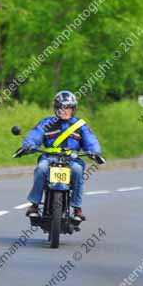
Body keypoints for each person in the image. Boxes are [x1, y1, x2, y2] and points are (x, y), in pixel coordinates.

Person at [15, 90, 104, 223]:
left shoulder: (80, 125)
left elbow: (91, 140)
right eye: (62, 107)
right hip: (50, 158)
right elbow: (35, 135)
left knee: (78, 171)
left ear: (73, 109)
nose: (65, 111)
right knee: (41, 168)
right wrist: (27, 146)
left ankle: (77, 208)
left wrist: (95, 152)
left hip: (72, 159)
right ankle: (34, 205)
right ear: (56, 108)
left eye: (68, 108)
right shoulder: (46, 123)